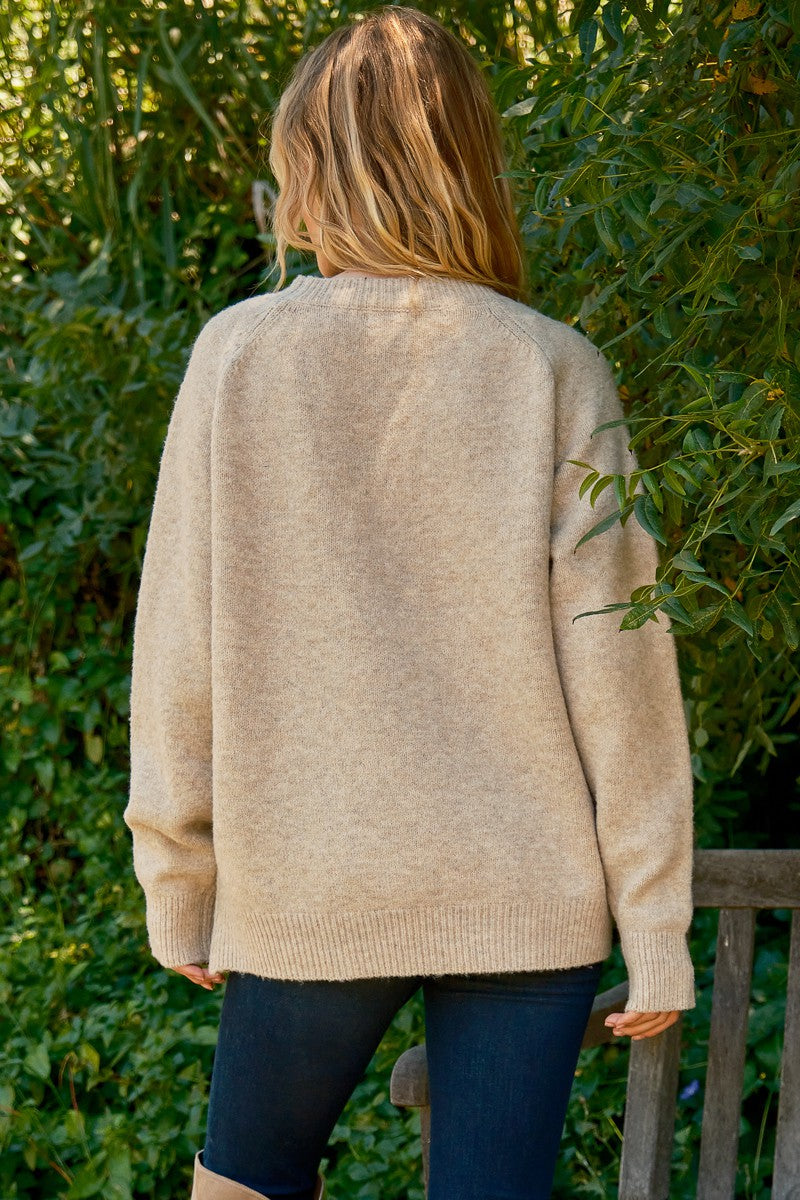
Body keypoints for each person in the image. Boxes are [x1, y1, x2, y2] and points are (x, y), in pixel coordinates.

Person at [123, 7, 697, 1199]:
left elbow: (180, 643)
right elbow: (622, 669)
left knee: (244, 1183)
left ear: (307, 168)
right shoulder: (547, 363)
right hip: (523, 888)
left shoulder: (237, 355)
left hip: (313, 881)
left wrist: (177, 879)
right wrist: (652, 925)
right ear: (469, 163)